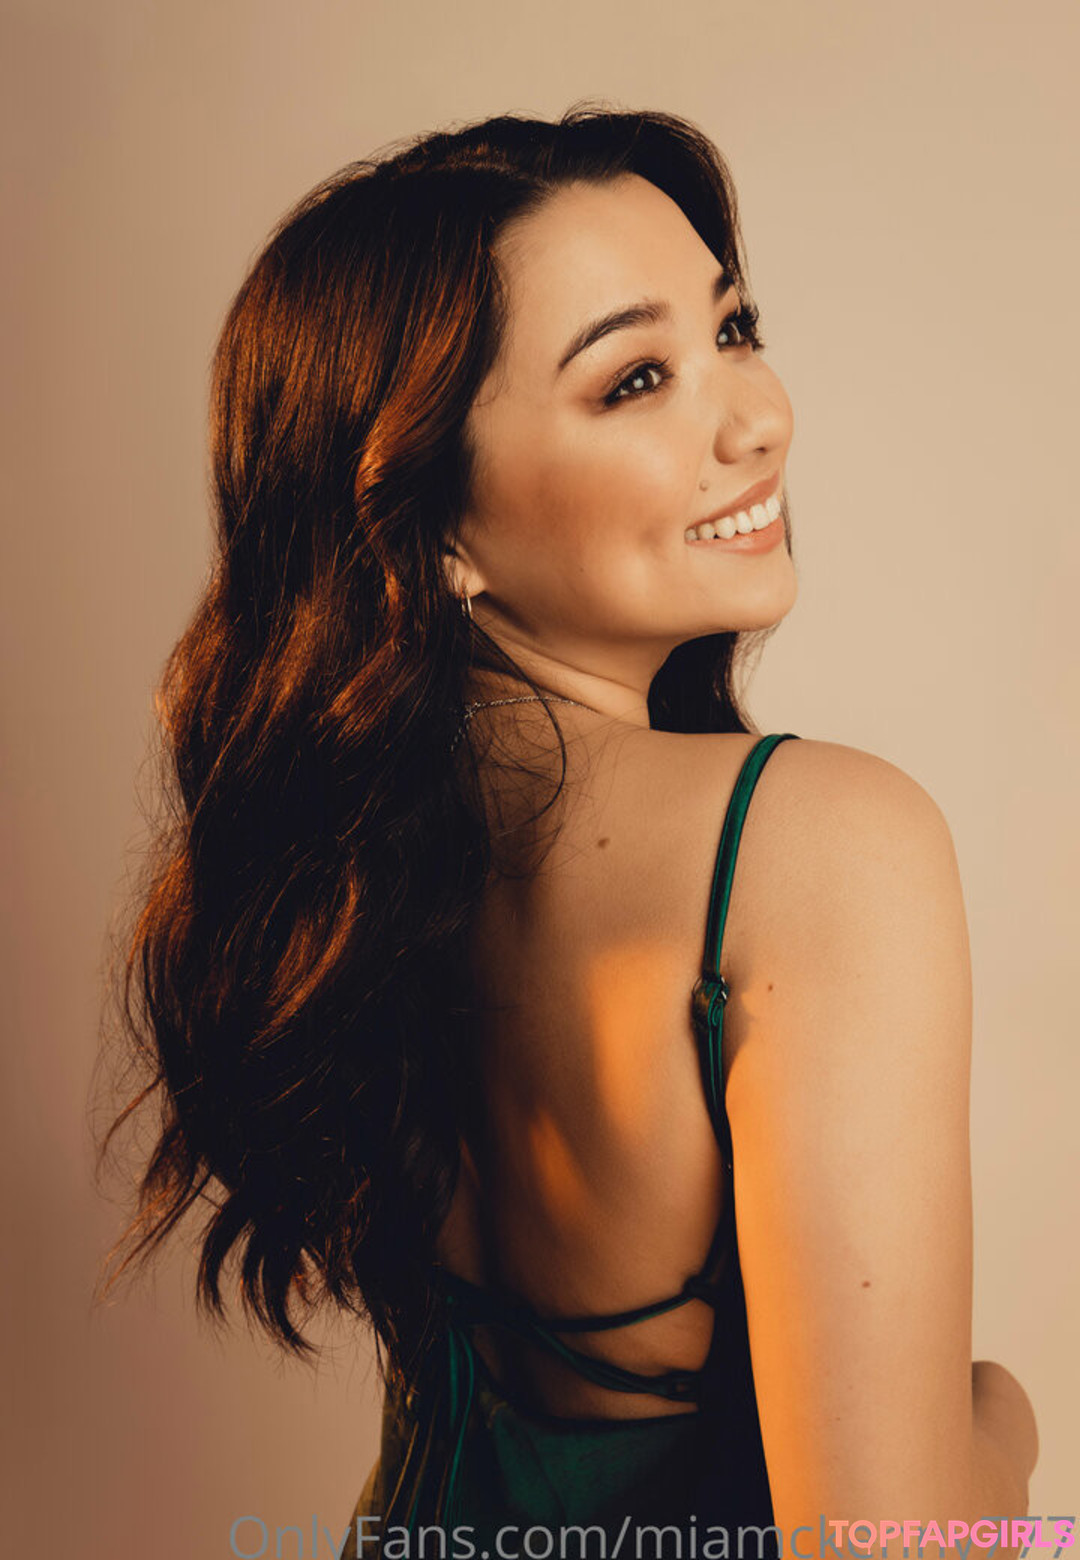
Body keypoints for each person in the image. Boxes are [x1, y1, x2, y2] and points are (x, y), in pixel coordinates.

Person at [99, 107, 1039, 1559]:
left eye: (733, 329)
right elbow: (893, 1545)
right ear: (434, 527)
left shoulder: (348, 869)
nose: (758, 416)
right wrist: (1006, 1429)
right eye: (636, 379)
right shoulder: (819, 847)